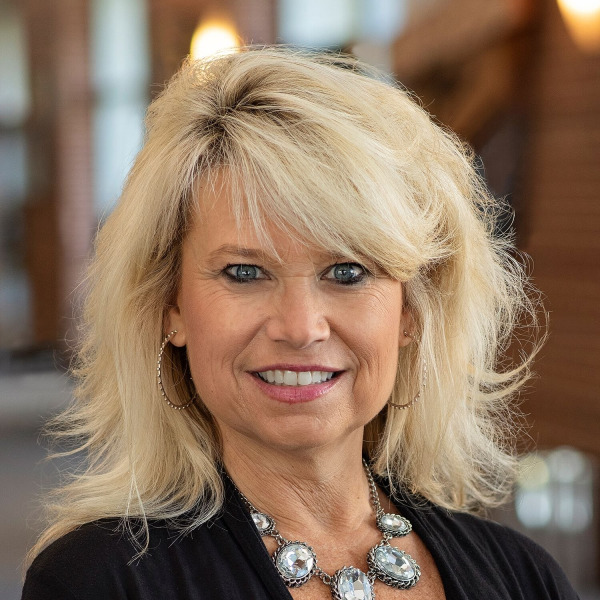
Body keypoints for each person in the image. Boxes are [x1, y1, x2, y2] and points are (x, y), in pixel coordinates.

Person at [22, 47, 578, 600]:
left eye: (347, 272)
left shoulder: (526, 578)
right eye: (244, 272)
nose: (300, 327)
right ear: (171, 307)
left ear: (411, 311)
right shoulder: (94, 582)